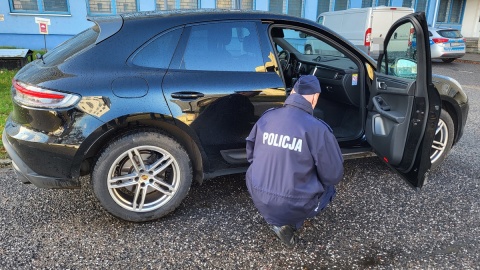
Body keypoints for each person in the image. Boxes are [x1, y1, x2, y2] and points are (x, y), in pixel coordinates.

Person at [245, 75, 344, 247]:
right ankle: (289, 223)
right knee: (330, 189)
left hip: (258, 194)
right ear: (315, 97)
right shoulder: (318, 129)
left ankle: (276, 216)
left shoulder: (267, 117)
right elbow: (333, 175)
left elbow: (251, 155)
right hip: (293, 203)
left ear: (293, 92)